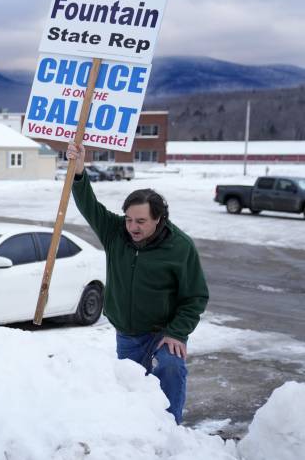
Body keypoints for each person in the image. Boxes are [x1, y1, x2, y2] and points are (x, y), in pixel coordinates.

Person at [66, 142, 208, 424]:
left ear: (159, 219)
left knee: (169, 367)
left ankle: (169, 432)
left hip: (162, 333)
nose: (133, 227)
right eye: (129, 219)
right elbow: (89, 206)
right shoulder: (115, 232)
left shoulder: (179, 247)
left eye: (141, 220)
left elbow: (195, 297)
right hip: (128, 334)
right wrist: (79, 170)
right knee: (132, 394)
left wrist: (177, 332)